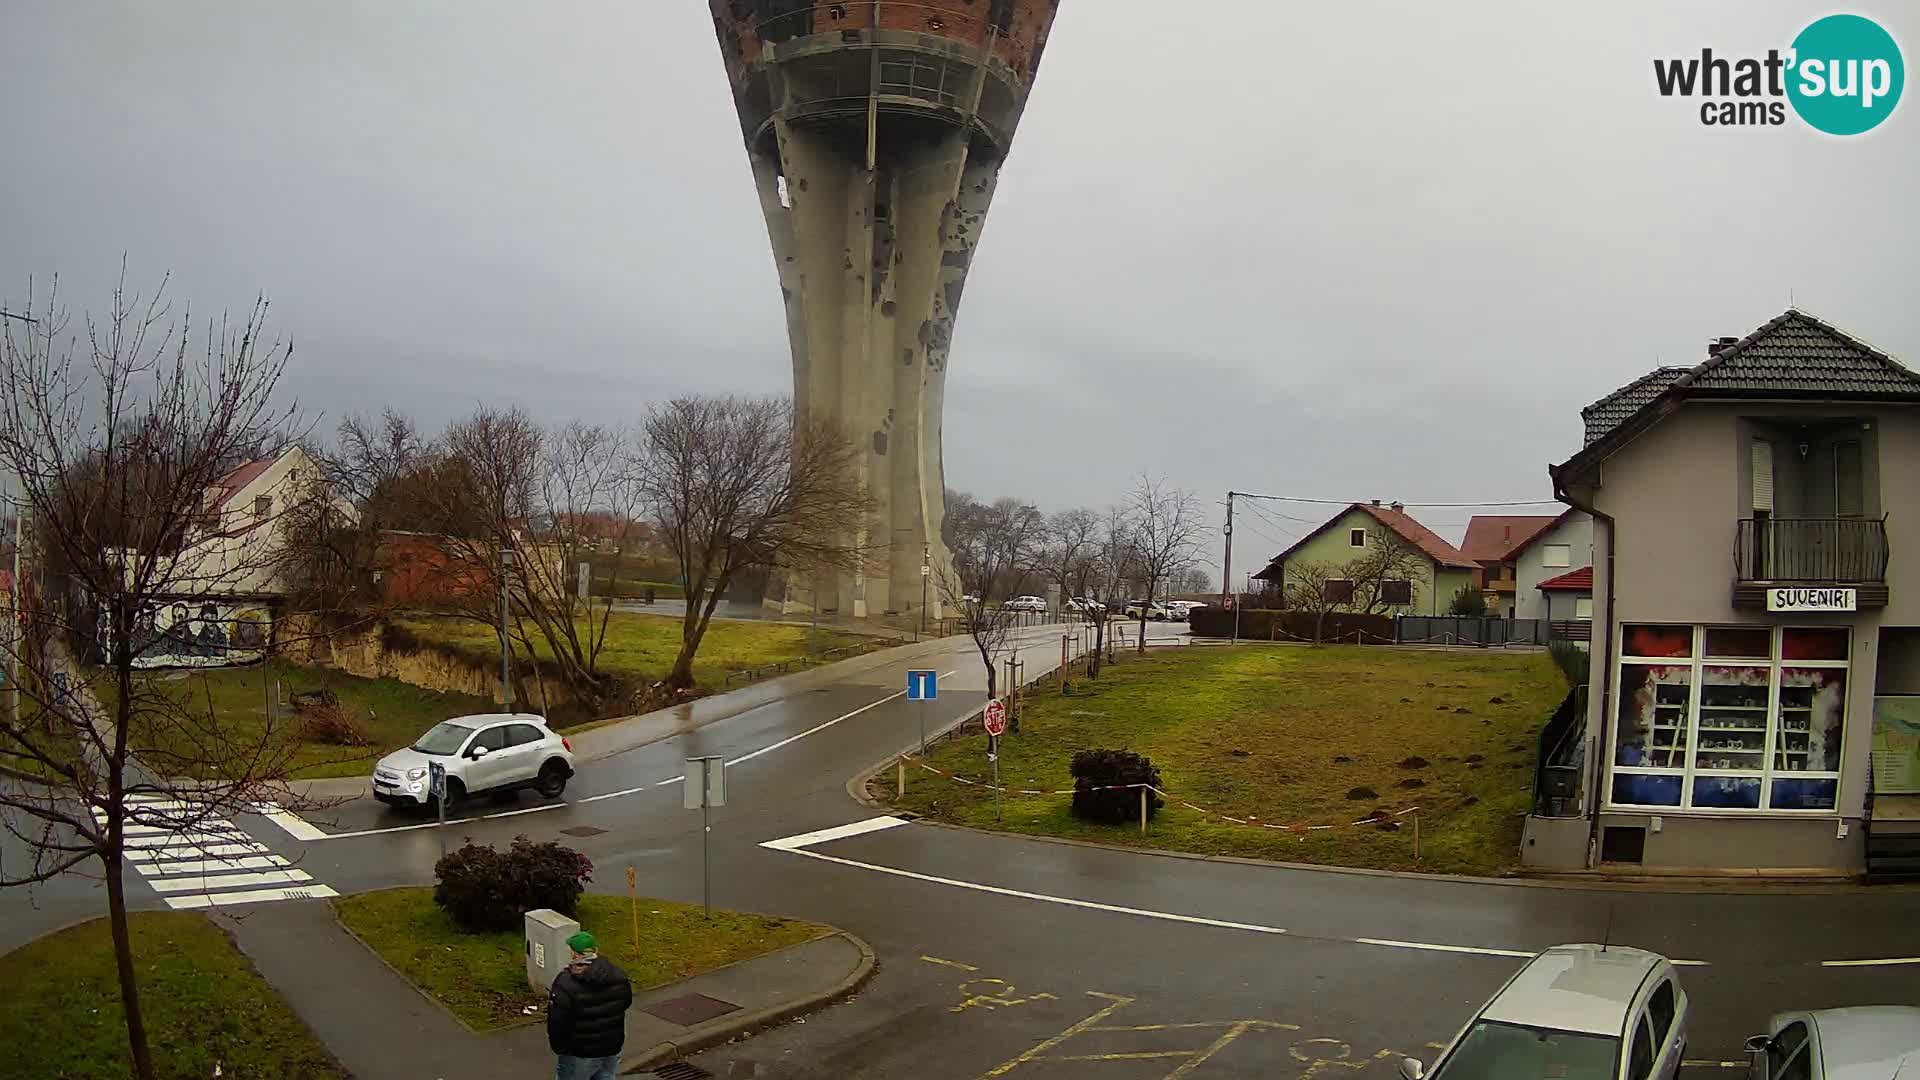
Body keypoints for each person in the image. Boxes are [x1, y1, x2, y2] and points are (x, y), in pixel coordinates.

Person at [547, 931, 633, 1080]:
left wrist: (560, 1048)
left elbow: (557, 1021)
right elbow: (625, 1003)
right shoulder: (618, 974)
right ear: (596, 951)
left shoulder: (565, 982)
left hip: (579, 1052)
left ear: (574, 954)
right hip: (611, 1047)